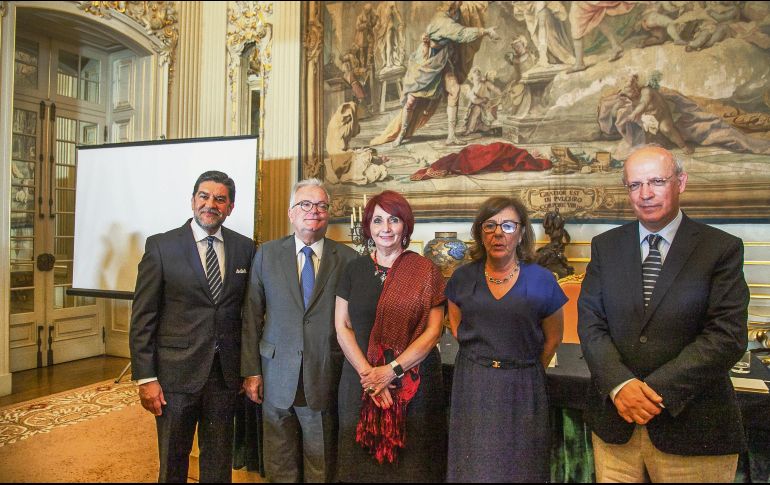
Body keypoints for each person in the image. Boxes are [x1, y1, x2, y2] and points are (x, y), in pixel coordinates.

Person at [577, 145, 749, 482]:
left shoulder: (721, 248)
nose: (645, 194)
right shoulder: (606, 246)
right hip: (616, 428)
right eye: (635, 185)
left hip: (692, 428)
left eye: (656, 181)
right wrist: (620, 385)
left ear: (681, 182)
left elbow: (726, 336)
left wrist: (654, 392)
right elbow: (591, 324)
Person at [129, 171, 256, 483]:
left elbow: (249, 313)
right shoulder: (161, 247)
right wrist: (146, 378)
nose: (210, 204)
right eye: (204, 196)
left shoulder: (246, 248)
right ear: (193, 200)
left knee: (218, 462)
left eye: (219, 199)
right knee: (173, 461)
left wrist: (248, 367)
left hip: (224, 376)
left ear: (230, 207)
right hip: (175, 375)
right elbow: (143, 318)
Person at [241, 178, 357, 483]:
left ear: (328, 214)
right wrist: (251, 371)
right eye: (305, 204)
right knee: (279, 461)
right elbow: (252, 315)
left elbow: (353, 323)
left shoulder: (347, 259)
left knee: (320, 462)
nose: (314, 211)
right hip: (274, 373)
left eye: (321, 205)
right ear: (291, 213)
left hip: (323, 373)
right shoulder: (266, 254)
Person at [445, 196, 566, 482]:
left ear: (521, 232)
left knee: (520, 467)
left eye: (508, 225)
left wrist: (523, 367)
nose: (498, 233)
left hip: (523, 385)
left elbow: (553, 338)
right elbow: (457, 329)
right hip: (474, 383)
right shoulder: (462, 278)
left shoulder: (542, 279)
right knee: (474, 467)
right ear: (480, 233)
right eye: (490, 225)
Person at [334, 190, 446, 482]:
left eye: (394, 220)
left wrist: (391, 371)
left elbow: (433, 331)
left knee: (410, 467)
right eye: (378, 220)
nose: (385, 228)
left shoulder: (426, 271)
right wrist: (370, 375)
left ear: (405, 226)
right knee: (360, 466)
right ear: (368, 226)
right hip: (360, 382)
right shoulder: (353, 269)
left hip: (413, 386)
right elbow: (342, 325)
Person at [370, 1, 499, 147]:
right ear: (450, 4)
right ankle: (401, 134)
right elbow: (462, 34)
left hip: (442, 60)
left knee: (454, 89)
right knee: (412, 101)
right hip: (426, 63)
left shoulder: (455, 14)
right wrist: (486, 31)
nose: (460, 4)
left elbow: (469, 11)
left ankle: (451, 136)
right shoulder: (442, 20)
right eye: (457, 2)